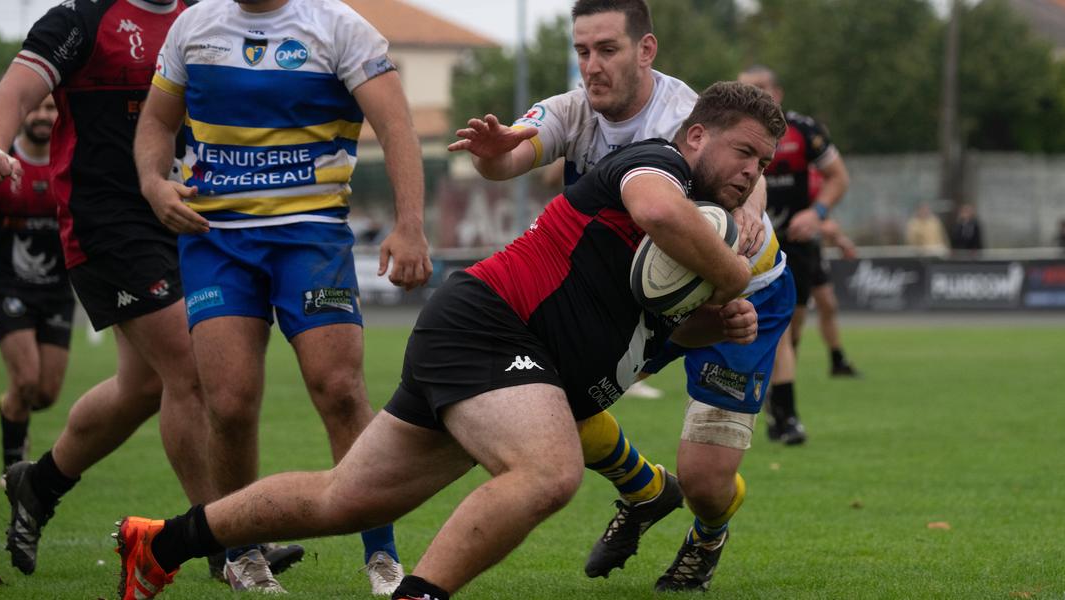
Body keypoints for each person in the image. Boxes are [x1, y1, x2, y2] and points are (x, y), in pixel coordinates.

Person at [113, 80, 783, 600]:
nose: (753, 171)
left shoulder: (698, 232)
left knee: (342, 500)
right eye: (744, 151)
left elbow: (647, 315)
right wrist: (731, 277)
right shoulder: (658, 164)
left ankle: (160, 544)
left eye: (764, 162)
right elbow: (657, 209)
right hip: (491, 330)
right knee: (549, 472)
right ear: (696, 137)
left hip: (500, 352)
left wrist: (712, 323)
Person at [450, 1, 786, 589]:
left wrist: (750, 208)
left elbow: (747, 181)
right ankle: (646, 490)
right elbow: (510, 157)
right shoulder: (574, 109)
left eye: (607, 50)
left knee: (707, 483)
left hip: (741, 300)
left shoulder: (686, 118)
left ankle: (707, 535)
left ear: (645, 50)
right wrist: (492, 153)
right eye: (582, 52)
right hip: (649, 301)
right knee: (547, 399)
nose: (592, 66)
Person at [135, 0, 431, 593]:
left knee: (340, 390)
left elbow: (396, 126)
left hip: (310, 238)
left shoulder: (340, 27)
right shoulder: (194, 27)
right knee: (230, 402)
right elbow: (157, 124)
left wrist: (410, 224)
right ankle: (243, 554)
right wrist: (152, 183)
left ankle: (381, 556)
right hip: (217, 243)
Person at [0, 0, 230, 578]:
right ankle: (224, 542)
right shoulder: (81, 20)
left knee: (142, 387)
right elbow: (13, 97)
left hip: (178, 213)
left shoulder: (201, 17)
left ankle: (38, 483)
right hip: (105, 221)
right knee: (188, 370)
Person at [738, 65, 856, 446]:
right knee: (779, 329)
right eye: (745, 89)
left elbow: (839, 177)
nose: (754, 96)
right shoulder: (726, 133)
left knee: (794, 326)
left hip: (796, 241)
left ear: (778, 92)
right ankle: (786, 417)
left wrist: (817, 213)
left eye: (760, 89)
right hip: (745, 242)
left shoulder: (804, 131)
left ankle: (776, 396)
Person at [0, 96, 73, 484]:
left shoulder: (69, 162)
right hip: (8, 286)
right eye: (35, 108)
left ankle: (10, 408)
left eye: (51, 108)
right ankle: (13, 471)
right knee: (26, 379)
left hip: (57, 291)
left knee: (45, 394)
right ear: (21, 114)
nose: (42, 116)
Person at [805, 164, 861, 379]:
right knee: (792, 316)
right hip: (791, 250)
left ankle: (837, 360)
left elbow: (822, 219)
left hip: (813, 251)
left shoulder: (819, 176)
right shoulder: (792, 171)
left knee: (828, 305)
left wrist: (840, 240)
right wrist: (824, 228)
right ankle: (780, 370)